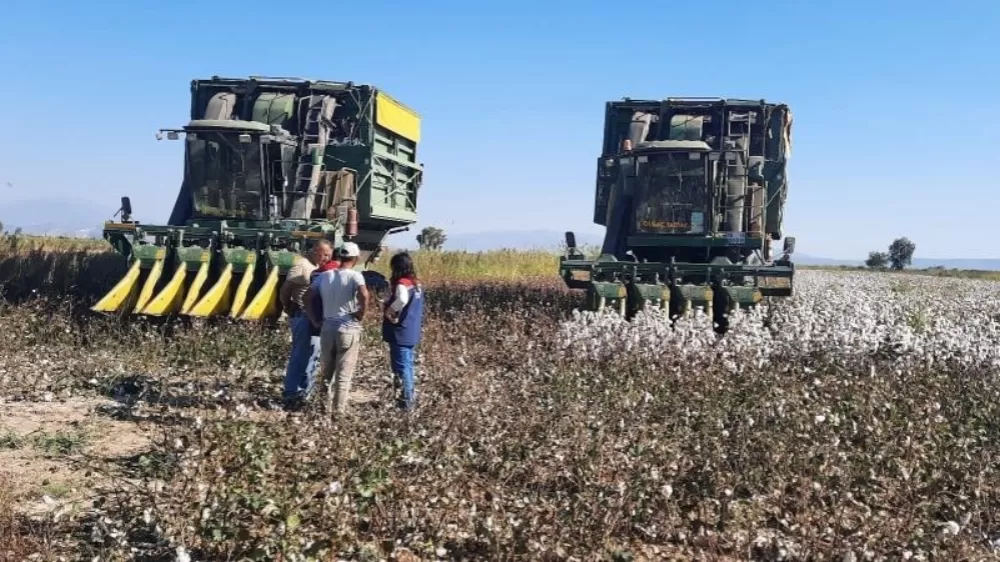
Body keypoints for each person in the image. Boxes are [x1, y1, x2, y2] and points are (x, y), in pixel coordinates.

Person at [305, 242, 370, 416]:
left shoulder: (324, 276)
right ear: (356, 258)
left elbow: (307, 297)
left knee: (326, 372)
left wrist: (314, 320)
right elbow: (364, 295)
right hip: (348, 328)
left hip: (327, 328)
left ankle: (321, 408)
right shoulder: (355, 276)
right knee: (343, 375)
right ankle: (338, 413)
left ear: (339, 256)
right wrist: (360, 314)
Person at [278, 239, 332, 409]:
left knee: (313, 354)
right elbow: (285, 290)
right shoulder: (302, 267)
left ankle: (306, 392)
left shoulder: (321, 269)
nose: (325, 258)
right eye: (323, 254)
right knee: (300, 354)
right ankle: (291, 392)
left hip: (315, 318)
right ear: (314, 250)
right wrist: (287, 306)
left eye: (328, 255)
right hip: (302, 315)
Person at [381, 251, 424, 411]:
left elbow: (402, 299)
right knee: (408, 366)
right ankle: (409, 399)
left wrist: (389, 311)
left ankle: (405, 403)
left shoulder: (402, 284)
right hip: (411, 330)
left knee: (401, 368)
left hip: (400, 332)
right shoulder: (416, 284)